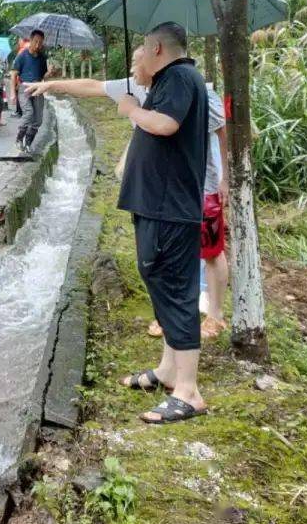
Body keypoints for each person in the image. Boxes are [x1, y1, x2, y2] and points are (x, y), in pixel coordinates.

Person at [27, 47, 230, 340]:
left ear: (154, 60)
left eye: (137, 62)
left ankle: (215, 315)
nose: (132, 67)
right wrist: (50, 85)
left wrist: (225, 178)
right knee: (163, 255)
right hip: (160, 189)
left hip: (202, 185)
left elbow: (218, 128)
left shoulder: (191, 88)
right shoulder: (135, 85)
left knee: (209, 250)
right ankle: (167, 314)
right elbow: (92, 86)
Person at [115, 22, 209, 423]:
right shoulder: (173, 79)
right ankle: (169, 369)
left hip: (169, 207)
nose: (138, 54)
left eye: (141, 48)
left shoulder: (181, 77)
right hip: (158, 205)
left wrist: (132, 109)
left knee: (174, 288)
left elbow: (165, 124)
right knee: (159, 280)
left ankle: (188, 392)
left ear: (156, 47)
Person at [12, 30, 48, 152]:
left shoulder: (42, 57)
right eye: (36, 42)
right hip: (24, 88)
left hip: (38, 88)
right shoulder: (22, 55)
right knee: (28, 112)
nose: (38, 45)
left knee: (38, 119)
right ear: (31, 40)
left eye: (40, 43)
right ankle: (18, 139)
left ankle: (28, 143)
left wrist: (51, 73)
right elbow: (14, 74)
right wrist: (13, 93)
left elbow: (43, 76)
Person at [12, 37, 30, 118]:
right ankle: (23, 112)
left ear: (23, 40)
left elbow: (19, 65)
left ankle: (19, 112)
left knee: (20, 93)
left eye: (19, 40)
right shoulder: (29, 48)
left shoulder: (23, 50)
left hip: (21, 76)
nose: (18, 42)